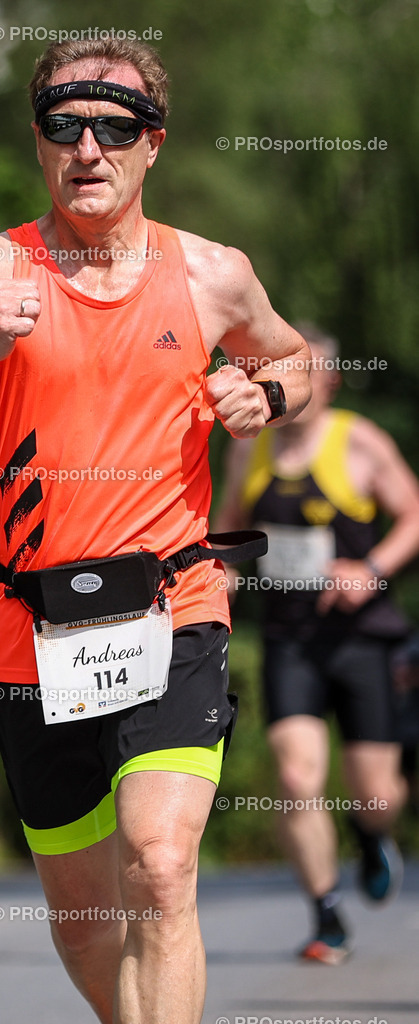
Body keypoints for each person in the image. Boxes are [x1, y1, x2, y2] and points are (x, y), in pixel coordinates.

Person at [0, 37, 310, 1024]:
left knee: (158, 863)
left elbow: (305, 361)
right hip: (33, 632)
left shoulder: (210, 274)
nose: (88, 147)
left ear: (152, 145)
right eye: (66, 125)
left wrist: (264, 393)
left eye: (114, 126)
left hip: (173, 604)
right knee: (86, 917)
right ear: (39, 140)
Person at [215, 323, 419, 966]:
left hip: (363, 638)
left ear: (325, 381)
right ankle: (327, 914)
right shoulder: (251, 448)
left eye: (300, 372)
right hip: (290, 638)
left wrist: (373, 570)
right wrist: (218, 580)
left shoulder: (359, 441)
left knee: (378, 794)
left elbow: (414, 515)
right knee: (297, 776)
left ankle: (371, 833)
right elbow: (228, 531)